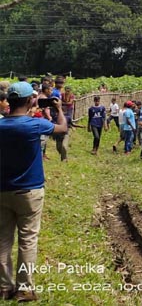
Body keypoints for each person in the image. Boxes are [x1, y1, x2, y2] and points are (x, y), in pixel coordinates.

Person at [0, 82, 67, 302]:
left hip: (2, 190)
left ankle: (3, 287)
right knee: (28, 238)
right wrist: (58, 109)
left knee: (3, 240)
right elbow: (62, 129)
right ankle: (24, 288)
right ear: (31, 101)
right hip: (29, 190)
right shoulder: (35, 124)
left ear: (8, 101)